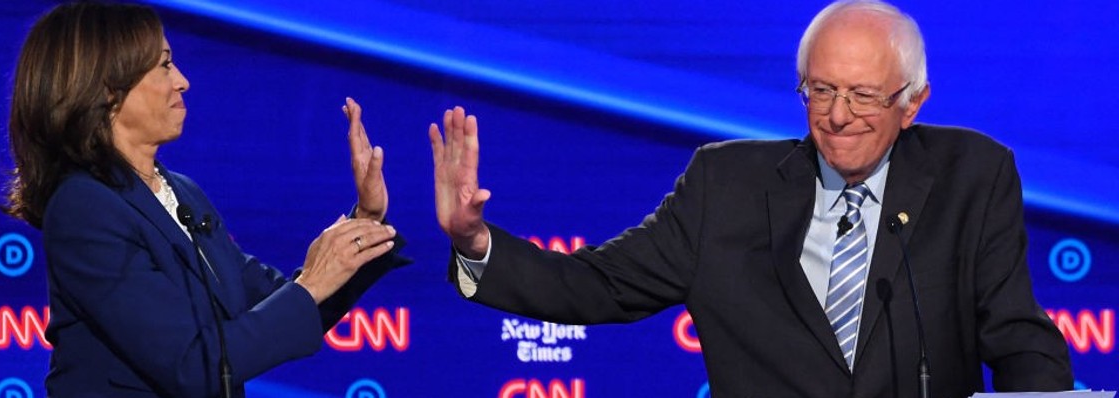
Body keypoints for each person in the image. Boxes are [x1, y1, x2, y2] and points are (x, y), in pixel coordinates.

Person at [429, 0, 1072, 396]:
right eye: (820, 91)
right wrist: (474, 243)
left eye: (863, 95)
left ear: (913, 103)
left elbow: (1017, 335)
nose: (839, 116)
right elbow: (597, 284)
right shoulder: (725, 187)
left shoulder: (972, 176)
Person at [2, 3, 407, 397]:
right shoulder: (84, 208)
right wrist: (312, 283)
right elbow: (192, 365)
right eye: (164, 64)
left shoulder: (182, 192)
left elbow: (285, 306)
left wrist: (365, 223)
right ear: (108, 88)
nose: (182, 80)